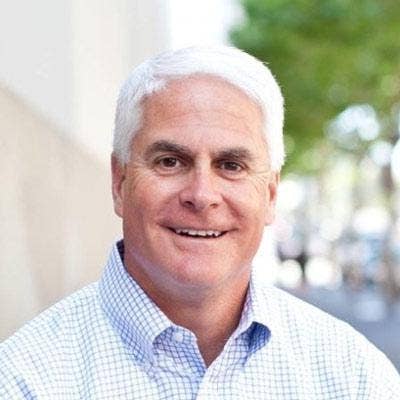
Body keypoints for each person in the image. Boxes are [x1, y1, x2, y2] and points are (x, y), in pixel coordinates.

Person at [0, 46, 399, 399]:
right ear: (120, 183)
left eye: (231, 165)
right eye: (170, 162)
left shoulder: (355, 377)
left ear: (270, 194)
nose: (202, 194)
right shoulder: (23, 382)